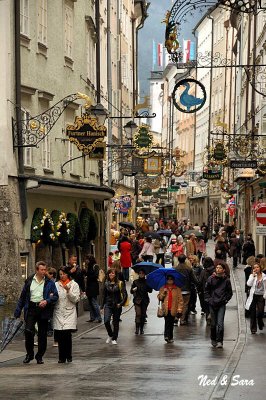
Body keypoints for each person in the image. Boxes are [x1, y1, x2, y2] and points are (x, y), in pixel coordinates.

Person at [14, 261, 59, 364]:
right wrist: (17, 311)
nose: (44, 272)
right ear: (37, 270)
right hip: (31, 308)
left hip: (43, 309)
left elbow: (56, 296)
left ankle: (39, 356)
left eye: (45, 270)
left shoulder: (49, 282)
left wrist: (47, 301)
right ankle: (29, 354)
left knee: (42, 334)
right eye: (42, 270)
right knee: (28, 331)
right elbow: (23, 296)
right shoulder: (29, 280)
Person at [53, 266, 80, 363]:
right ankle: (61, 357)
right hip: (59, 312)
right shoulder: (56, 284)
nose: (62, 276)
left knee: (67, 334)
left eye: (64, 274)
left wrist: (68, 291)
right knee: (60, 335)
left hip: (69, 312)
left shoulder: (74, 285)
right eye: (60, 274)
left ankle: (69, 355)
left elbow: (76, 299)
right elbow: (53, 297)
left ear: (68, 274)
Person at [204, 264, 233, 348]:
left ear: (223, 270)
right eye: (217, 268)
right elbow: (206, 291)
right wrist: (209, 300)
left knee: (220, 323)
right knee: (213, 324)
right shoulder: (210, 279)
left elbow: (229, 292)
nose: (218, 269)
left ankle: (220, 341)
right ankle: (213, 339)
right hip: (212, 303)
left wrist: (225, 300)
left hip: (221, 304)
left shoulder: (226, 280)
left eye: (220, 268)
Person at [103, 268, 127, 345]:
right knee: (106, 321)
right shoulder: (106, 283)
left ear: (115, 274)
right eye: (110, 273)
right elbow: (104, 295)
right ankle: (110, 334)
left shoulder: (120, 283)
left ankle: (114, 338)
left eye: (113, 273)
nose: (111, 274)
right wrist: (101, 306)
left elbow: (124, 295)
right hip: (108, 304)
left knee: (115, 322)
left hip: (117, 305)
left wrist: (121, 303)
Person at [158, 274, 183, 343]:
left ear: (173, 280)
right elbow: (160, 298)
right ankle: (166, 336)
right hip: (165, 309)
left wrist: (179, 309)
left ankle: (170, 337)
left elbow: (180, 300)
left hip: (173, 309)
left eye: (171, 279)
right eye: (168, 279)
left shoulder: (177, 289)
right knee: (167, 322)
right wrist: (164, 292)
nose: (170, 281)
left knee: (171, 323)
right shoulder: (163, 288)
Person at [174, 254, 199, 325]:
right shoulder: (189, 268)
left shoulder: (175, 269)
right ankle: (182, 320)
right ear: (185, 260)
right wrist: (198, 284)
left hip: (177, 289)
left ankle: (176, 318)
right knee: (185, 305)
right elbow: (194, 279)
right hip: (187, 289)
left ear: (178, 260)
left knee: (178, 304)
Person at [245, 263, 266, 334]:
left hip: (261, 296)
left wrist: (264, 296)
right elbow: (248, 284)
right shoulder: (252, 276)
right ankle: (253, 328)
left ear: (260, 268)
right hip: (253, 296)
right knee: (253, 312)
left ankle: (260, 323)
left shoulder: (264, 276)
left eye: (257, 267)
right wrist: (253, 276)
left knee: (260, 312)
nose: (256, 269)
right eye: (254, 268)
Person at [130, 269, 152, 334]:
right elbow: (131, 291)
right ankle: (137, 329)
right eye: (140, 273)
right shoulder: (135, 282)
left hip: (145, 300)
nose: (141, 274)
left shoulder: (147, 282)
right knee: (138, 314)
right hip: (137, 300)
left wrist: (149, 285)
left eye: (142, 273)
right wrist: (133, 289)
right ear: (138, 274)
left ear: (144, 274)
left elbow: (150, 291)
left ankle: (141, 329)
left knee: (143, 315)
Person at [85, 255, 102, 323]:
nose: (86, 261)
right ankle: (92, 317)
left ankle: (99, 317)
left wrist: (88, 276)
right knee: (90, 302)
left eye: (87, 259)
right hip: (89, 286)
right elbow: (87, 274)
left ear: (90, 259)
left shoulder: (95, 266)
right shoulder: (88, 266)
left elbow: (95, 275)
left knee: (94, 302)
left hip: (94, 286)